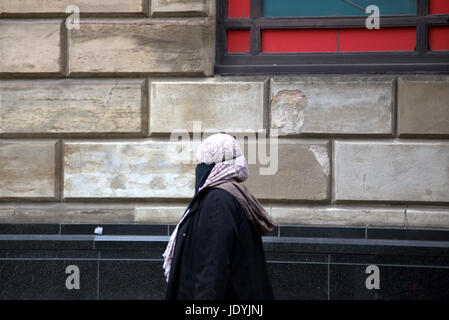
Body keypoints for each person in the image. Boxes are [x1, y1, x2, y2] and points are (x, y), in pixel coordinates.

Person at [162, 133, 275, 300]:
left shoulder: (218, 200)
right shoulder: (232, 193)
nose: (198, 169)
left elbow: (212, 266)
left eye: (202, 163)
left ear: (212, 164)